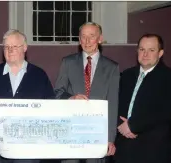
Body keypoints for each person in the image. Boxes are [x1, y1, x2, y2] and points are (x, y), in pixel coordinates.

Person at [0, 29, 54, 163]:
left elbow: (50, 106)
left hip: (29, 142)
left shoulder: (39, 75)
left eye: (14, 46)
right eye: (6, 47)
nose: (10, 50)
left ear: (24, 47)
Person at [54, 22, 119, 163]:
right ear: (79, 39)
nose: (87, 41)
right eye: (83, 36)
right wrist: (71, 98)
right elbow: (57, 93)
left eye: (92, 36)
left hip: (98, 133)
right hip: (70, 131)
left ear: (100, 39)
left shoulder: (112, 67)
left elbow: (113, 105)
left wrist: (110, 139)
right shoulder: (67, 62)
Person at [114, 34, 171, 163]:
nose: (145, 54)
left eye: (151, 50)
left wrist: (132, 126)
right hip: (123, 146)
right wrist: (120, 125)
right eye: (142, 49)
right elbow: (116, 103)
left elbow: (165, 112)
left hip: (152, 149)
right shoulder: (126, 75)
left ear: (160, 53)